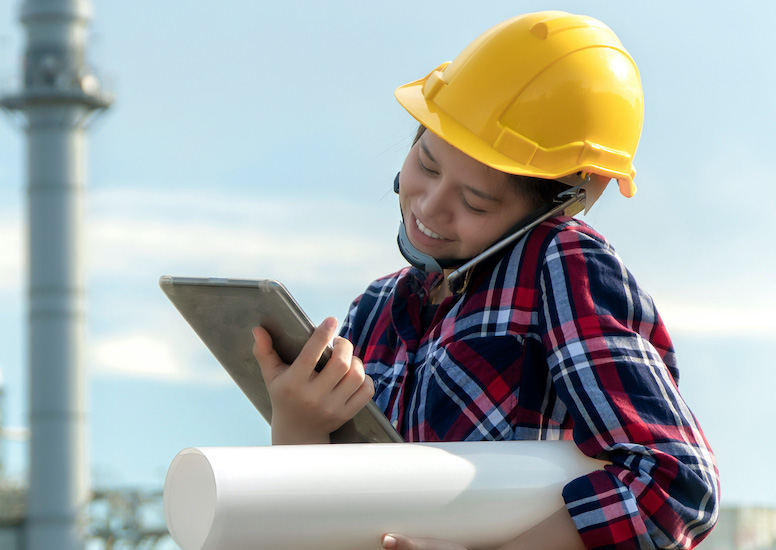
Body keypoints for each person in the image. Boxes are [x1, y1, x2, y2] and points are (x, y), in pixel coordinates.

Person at [249, 11, 718, 550]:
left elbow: (677, 486)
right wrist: (299, 428)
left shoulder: (561, 268)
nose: (430, 205)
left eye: (475, 201)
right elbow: (332, 522)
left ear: (559, 209)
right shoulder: (375, 309)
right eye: (426, 164)